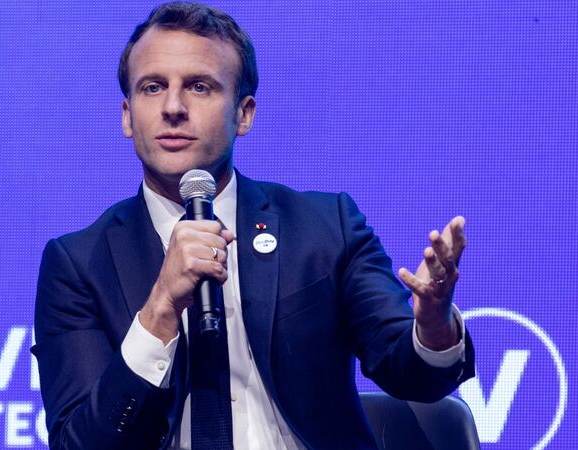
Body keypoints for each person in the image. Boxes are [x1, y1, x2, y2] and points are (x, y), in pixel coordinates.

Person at [32, 2, 475, 449]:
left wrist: (434, 327)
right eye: (152, 87)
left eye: (199, 87)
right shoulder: (78, 265)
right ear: (127, 115)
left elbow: (414, 377)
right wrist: (160, 310)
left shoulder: (324, 228)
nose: (172, 107)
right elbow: (81, 443)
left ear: (244, 114)